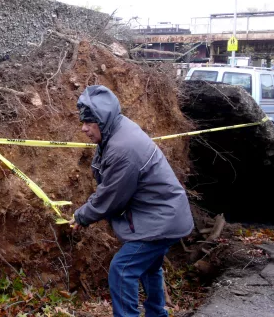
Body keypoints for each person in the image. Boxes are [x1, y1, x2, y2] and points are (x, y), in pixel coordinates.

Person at [70, 85, 194, 317]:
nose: (84, 128)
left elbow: (112, 197)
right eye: (82, 122)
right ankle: (157, 314)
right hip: (164, 214)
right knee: (149, 267)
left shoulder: (122, 148)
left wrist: (82, 216)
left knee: (122, 270)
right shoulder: (117, 129)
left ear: (102, 119)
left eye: (89, 122)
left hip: (161, 220)